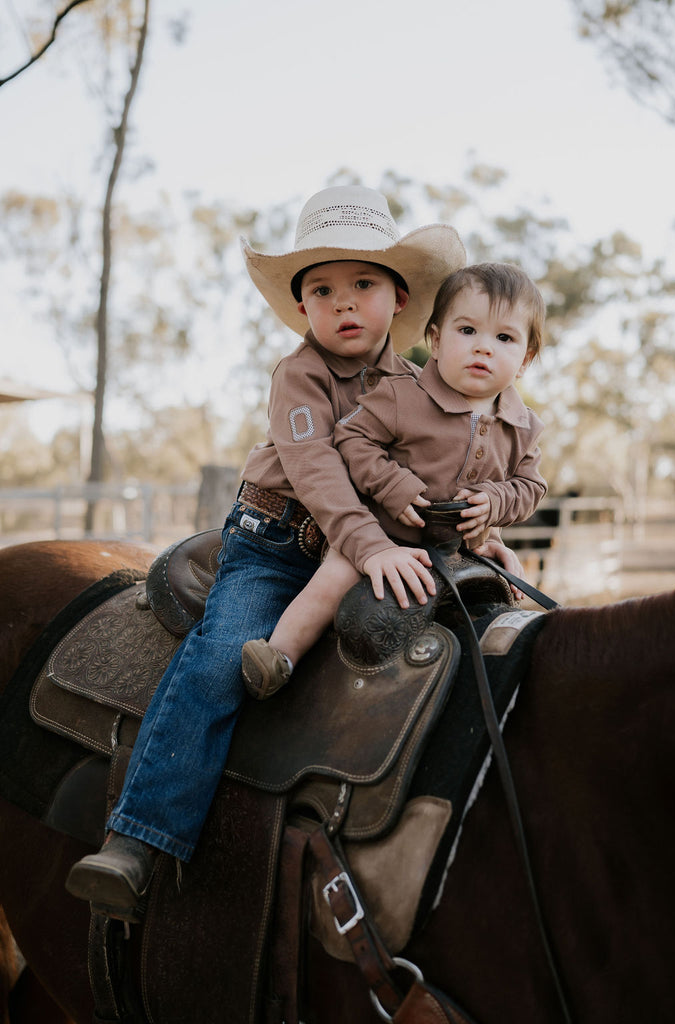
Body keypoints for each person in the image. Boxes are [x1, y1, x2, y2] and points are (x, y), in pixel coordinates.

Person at [64, 184, 468, 920]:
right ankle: (140, 836)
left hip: (358, 550)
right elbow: (316, 473)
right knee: (222, 654)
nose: (343, 303)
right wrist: (373, 543)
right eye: (322, 290)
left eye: (362, 285)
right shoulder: (299, 374)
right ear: (303, 308)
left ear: (400, 299)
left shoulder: (418, 387)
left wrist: (475, 518)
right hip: (276, 545)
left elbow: (444, 463)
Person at [242, 263, 546, 698]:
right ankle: (279, 654)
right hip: (373, 528)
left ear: (525, 358)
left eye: (504, 338)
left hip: (441, 543)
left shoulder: (525, 426)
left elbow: (528, 485)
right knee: (339, 573)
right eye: (467, 332)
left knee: (497, 596)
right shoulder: (406, 395)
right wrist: (393, 487)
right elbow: (351, 441)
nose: (483, 349)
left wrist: (490, 518)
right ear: (436, 341)